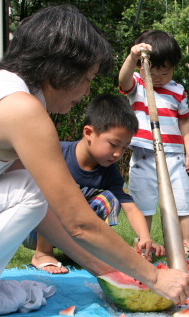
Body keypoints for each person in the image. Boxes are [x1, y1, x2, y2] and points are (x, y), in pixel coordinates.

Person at [0, 5, 189, 317]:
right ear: (61, 69)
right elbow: (77, 220)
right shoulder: (23, 109)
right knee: (31, 188)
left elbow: (44, 212)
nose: (85, 93)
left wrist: (105, 269)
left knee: (28, 188)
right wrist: (155, 277)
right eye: (87, 79)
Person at [24, 94, 165, 273]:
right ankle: (42, 253)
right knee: (54, 193)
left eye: (124, 147)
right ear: (89, 133)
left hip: (73, 228)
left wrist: (144, 236)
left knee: (110, 198)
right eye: (114, 144)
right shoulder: (58, 153)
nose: (118, 154)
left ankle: (80, 249)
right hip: (36, 228)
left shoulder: (109, 171)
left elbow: (130, 207)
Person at [119, 30, 189, 257]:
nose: (161, 77)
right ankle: (145, 244)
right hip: (144, 155)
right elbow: (122, 80)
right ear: (142, 68)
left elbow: (185, 125)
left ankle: (187, 242)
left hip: (173, 156)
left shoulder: (178, 91)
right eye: (154, 72)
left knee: (182, 200)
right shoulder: (138, 84)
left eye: (167, 71)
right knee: (143, 202)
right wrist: (132, 57)